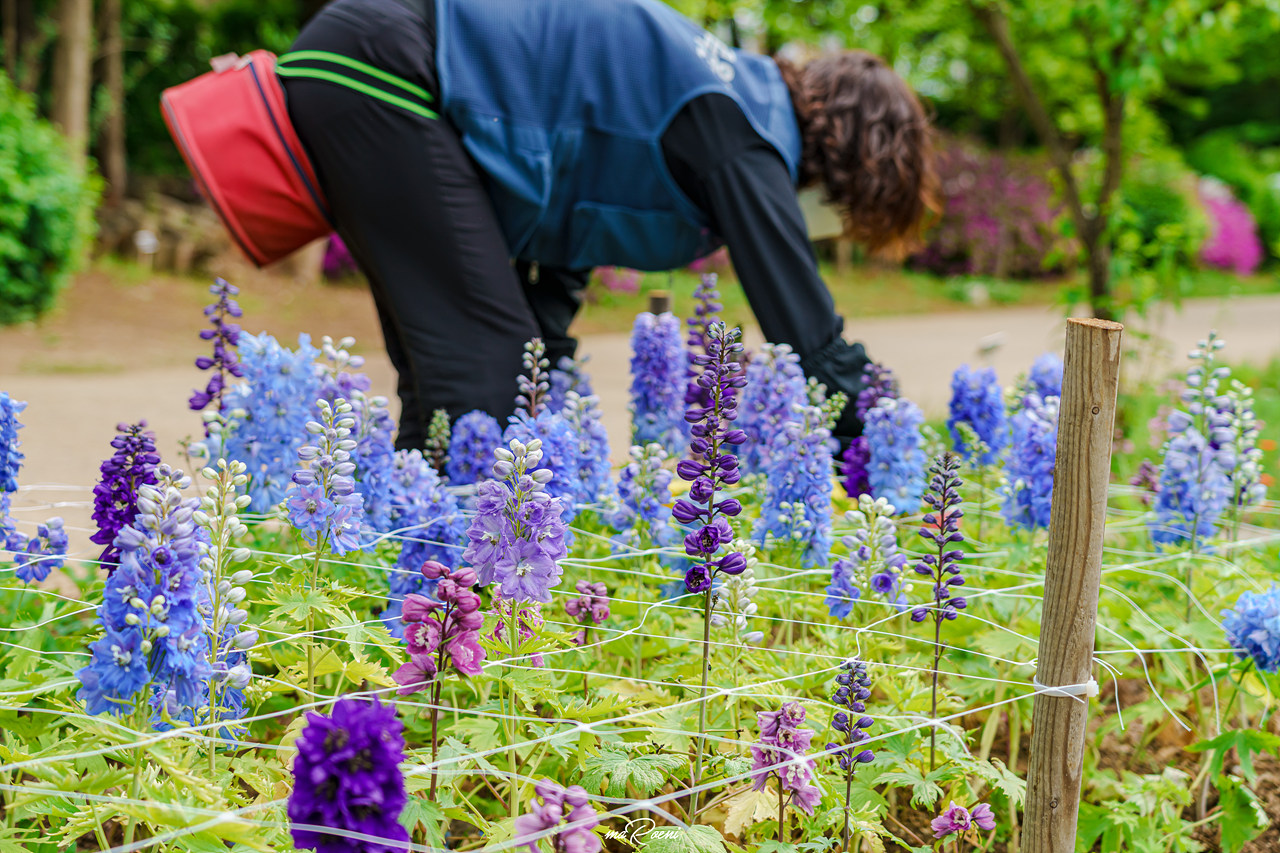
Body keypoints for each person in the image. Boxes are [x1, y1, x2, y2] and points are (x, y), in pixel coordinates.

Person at [278, 0, 937, 450]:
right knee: (481, 377)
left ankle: (398, 599)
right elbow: (808, 346)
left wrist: (547, 368)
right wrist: (890, 433)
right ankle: (440, 623)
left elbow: (567, 225)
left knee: (471, 383)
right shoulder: (743, 130)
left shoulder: (726, 95)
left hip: (365, 59)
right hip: (392, 69)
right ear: (852, 163)